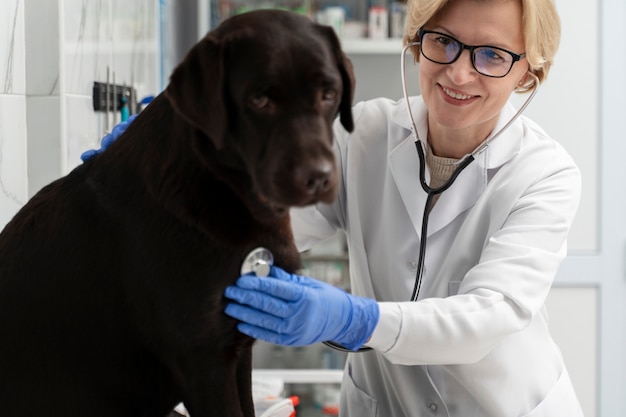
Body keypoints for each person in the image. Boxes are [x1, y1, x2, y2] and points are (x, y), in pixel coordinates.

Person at [89, 0, 584, 415]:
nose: (457, 71)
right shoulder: (362, 135)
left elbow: (489, 316)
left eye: (492, 55)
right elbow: (258, 226)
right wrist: (163, 170)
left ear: (528, 73)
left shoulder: (544, 174)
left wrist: (354, 320)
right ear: (417, 41)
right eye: (443, 41)